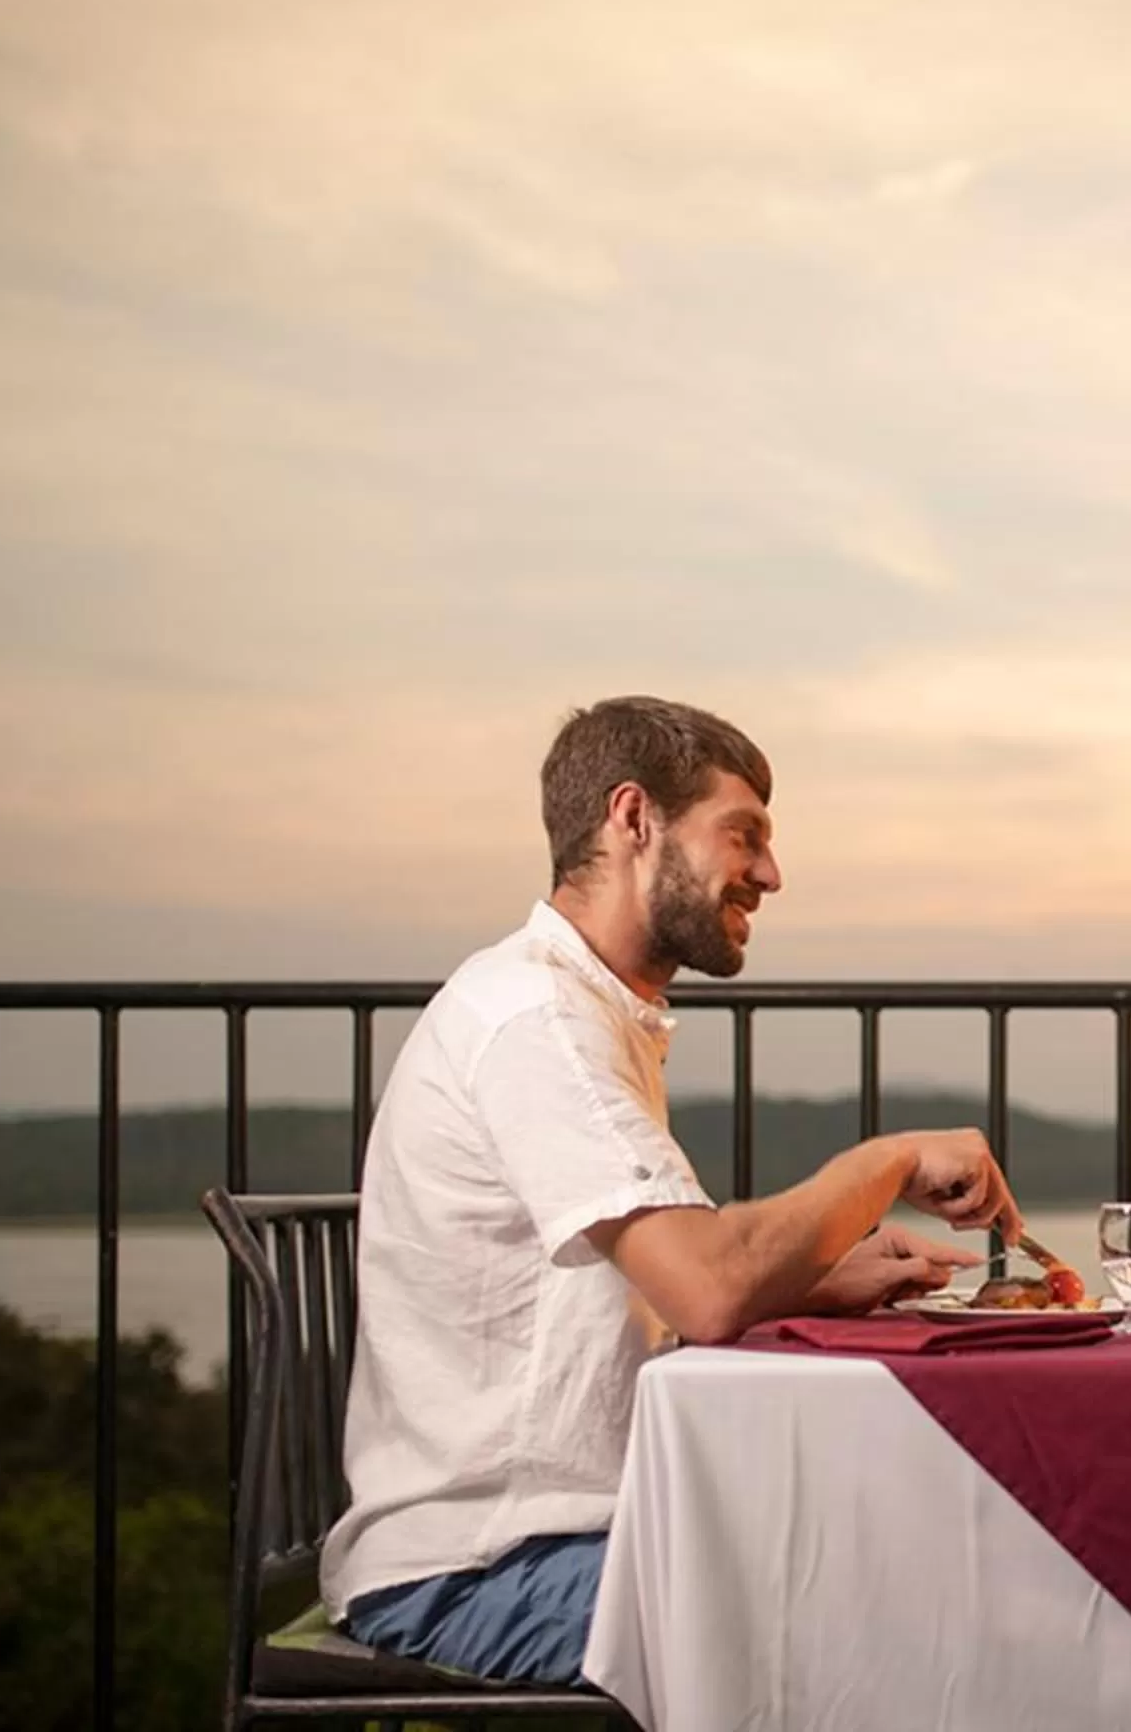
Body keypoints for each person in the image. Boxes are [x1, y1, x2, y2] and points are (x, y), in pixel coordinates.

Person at [320, 696, 1017, 1685]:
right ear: (635, 819)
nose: (772, 873)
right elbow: (708, 1287)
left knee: (926, 1563)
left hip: (571, 1531)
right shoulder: (536, 1021)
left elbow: (649, 1288)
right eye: (746, 834)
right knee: (905, 1623)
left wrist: (815, 1278)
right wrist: (890, 1162)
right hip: (481, 1566)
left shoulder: (584, 1009)